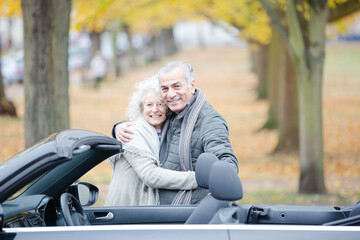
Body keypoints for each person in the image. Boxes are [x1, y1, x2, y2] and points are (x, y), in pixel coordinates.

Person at [113, 60, 238, 205]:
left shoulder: (209, 121)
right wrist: (119, 127)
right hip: (159, 211)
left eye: (176, 86)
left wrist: (222, 185)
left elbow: (224, 158)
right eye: (165, 89)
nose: (171, 94)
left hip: (187, 212)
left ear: (192, 85)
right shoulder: (170, 114)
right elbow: (147, 121)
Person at [105, 77, 198, 206]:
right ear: (141, 109)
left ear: (168, 108)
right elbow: (151, 175)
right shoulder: (132, 132)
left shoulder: (169, 132)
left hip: (146, 210)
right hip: (126, 209)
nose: (155, 110)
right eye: (149, 105)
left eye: (160, 104)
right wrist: (196, 178)